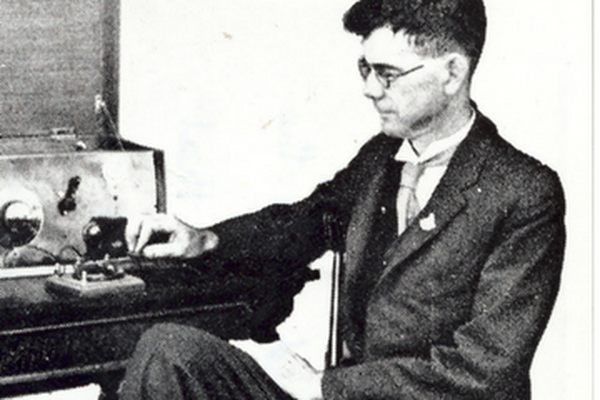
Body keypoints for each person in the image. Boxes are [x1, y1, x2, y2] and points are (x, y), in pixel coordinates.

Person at [119, 0, 566, 398]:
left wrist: (325, 387)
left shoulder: (524, 192)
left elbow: (485, 371)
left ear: (452, 73)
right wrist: (204, 239)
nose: (370, 89)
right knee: (169, 351)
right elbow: (300, 224)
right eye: (365, 69)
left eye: (387, 73)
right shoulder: (379, 159)